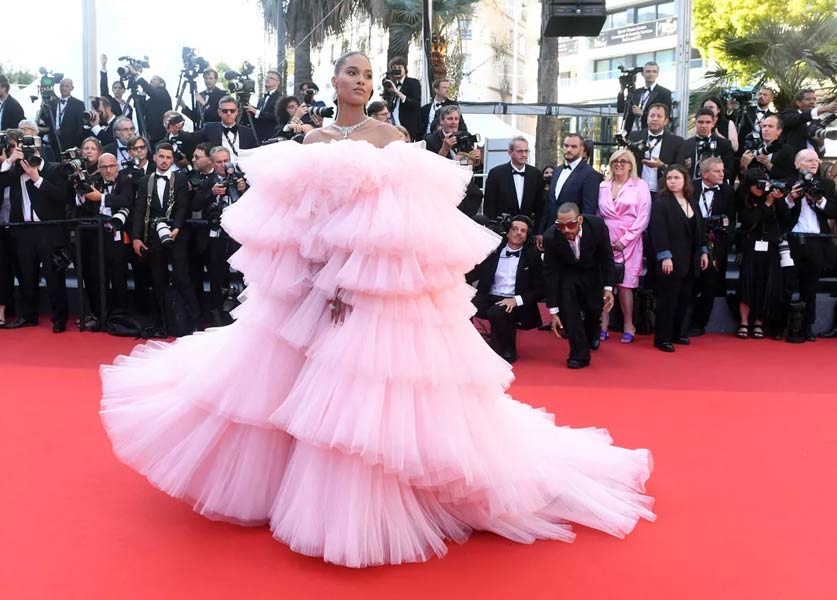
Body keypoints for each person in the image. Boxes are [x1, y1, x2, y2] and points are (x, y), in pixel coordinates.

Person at [100, 50, 654, 568]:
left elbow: (392, 229)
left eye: (368, 76)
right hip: (308, 279)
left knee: (355, 393)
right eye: (352, 74)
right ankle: (280, 487)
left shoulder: (391, 138)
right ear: (334, 83)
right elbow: (303, 218)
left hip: (369, 288)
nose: (362, 82)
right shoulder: (312, 139)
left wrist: (350, 283)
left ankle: (361, 500)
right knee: (286, 380)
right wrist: (314, 276)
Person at [0, 131, 71, 332]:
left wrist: (37, 179)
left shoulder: (54, 169)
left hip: (49, 230)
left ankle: (59, 319)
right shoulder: (15, 172)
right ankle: (28, 316)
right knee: (26, 276)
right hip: (24, 231)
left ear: (39, 151)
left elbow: (62, 196)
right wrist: (9, 161)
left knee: (54, 277)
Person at [543, 202, 615, 368]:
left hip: (591, 271)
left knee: (594, 309)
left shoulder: (596, 226)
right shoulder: (551, 237)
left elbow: (606, 257)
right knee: (570, 313)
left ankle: (592, 334)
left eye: (571, 224)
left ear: (580, 220)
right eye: (561, 226)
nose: (566, 230)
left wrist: (608, 288)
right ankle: (579, 354)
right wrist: (553, 309)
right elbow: (550, 273)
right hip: (567, 274)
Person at [648, 164, 709, 352]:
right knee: (668, 299)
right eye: (669, 178)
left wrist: (704, 251)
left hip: (691, 258)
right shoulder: (661, 203)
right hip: (671, 259)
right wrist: (665, 256)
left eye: (676, 178)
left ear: (685, 180)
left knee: (684, 298)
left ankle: (678, 333)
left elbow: (700, 228)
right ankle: (662, 338)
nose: (672, 182)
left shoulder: (692, 200)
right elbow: (658, 232)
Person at [467, 215, 544, 362]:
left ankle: (508, 349)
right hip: (490, 295)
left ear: (527, 236)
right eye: (515, 229)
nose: (518, 233)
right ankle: (470, 345)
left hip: (514, 300)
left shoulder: (532, 256)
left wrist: (516, 300)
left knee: (496, 312)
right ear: (508, 232)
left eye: (523, 231)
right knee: (464, 306)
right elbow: (474, 273)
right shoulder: (493, 251)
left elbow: (541, 289)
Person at [596, 149, 651, 344]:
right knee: (604, 283)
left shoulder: (640, 186)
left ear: (631, 165)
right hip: (605, 239)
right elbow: (598, 214)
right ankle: (602, 324)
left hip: (630, 241)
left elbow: (643, 217)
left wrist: (625, 240)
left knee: (625, 286)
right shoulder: (603, 186)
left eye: (623, 161)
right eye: (615, 161)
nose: (619, 164)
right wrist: (601, 240)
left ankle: (629, 324)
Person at [783, 149, 837, 340]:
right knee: (787, 284)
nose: (815, 163)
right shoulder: (789, 183)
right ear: (797, 164)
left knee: (810, 288)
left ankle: (807, 326)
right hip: (792, 240)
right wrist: (790, 199)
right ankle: (783, 325)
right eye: (808, 160)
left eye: (816, 160)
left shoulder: (827, 184)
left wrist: (819, 200)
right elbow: (779, 214)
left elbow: (833, 211)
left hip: (816, 241)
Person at [735, 168, 789, 340]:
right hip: (751, 243)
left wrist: (779, 201)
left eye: (762, 185)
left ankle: (759, 322)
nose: (760, 189)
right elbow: (750, 220)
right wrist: (767, 203)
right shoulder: (744, 198)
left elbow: (785, 220)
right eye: (756, 186)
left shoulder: (773, 196)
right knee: (747, 282)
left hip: (770, 245)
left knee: (767, 283)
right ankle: (744, 322)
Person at [688, 157, 734, 336]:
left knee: (709, 284)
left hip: (716, 241)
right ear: (705, 173)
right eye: (717, 171)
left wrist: (722, 239)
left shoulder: (728, 191)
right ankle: (684, 320)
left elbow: (731, 218)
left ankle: (700, 324)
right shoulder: (691, 187)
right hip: (692, 239)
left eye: (722, 171)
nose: (722, 174)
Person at [537, 134, 602, 243]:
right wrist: (541, 232)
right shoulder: (557, 171)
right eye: (566, 146)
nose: (569, 149)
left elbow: (589, 209)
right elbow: (548, 205)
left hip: (572, 235)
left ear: (582, 149)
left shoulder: (590, 174)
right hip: (551, 234)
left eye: (573, 146)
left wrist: (580, 237)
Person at [482, 137, 543, 226]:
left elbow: (540, 206)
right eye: (520, 151)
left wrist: (538, 231)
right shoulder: (496, 173)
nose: (524, 154)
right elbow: (489, 205)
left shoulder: (535, 174)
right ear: (510, 152)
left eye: (526, 151)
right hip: (502, 229)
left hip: (528, 230)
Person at [628, 103, 683, 200]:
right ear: (647, 118)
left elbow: (680, 169)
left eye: (659, 116)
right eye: (652, 116)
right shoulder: (635, 136)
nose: (655, 119)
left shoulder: (676, 141)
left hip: (664, 192)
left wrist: (662, 166)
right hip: (637, 190)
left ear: (666, 120)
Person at [676, 108, 736, 183]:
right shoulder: (685, 144)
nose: (704, 126)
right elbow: (678, 169)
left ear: (713, 124)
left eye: (708, 122)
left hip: (715, 188)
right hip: (690, 188)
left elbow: (730, 171)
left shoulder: (724, 144)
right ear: (695, 123)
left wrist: (714, 167)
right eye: (700, 122)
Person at [199, 96, 259, 163]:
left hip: (243, 169)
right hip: (219, 170)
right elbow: (192, 139)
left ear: (237, 112)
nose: (229, 113)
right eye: (225, 111)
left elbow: (255, 154)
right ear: (219, 112)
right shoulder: (209, 129)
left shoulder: (247, 132)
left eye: (232, 111)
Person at [779, 89, 837, 155]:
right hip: (792, 162)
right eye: (808, 99)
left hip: (813, 163)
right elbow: (800, 118)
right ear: (798, 102)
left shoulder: (818, 122)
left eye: (814, 99)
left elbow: (821, 154)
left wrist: (820, 143)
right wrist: (824, 109)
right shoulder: (788, 114)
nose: (812, 102)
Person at [739, 115, 796, 181]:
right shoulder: (753, 147)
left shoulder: (787, 150)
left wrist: (768, 165)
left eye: (770, 126)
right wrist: (743, 165)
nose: (766, 129)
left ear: (779, 131)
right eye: (764, 126)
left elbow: (790, 177)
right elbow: (744, 179)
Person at [383, 56, 422, 141]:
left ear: (405, 69)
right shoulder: (394, 85)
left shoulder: (413, 82)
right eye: (395, 69)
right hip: (395, 126)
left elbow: (415, 104)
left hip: (408, 128)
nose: (397, 70)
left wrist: (397, 92)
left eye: (399, 68)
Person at [631, 61, 672, 131]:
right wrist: (622, 90)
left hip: (654, 131)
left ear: (657, 74)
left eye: (654, 71)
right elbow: (621, 109)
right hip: (635, 132)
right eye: (648, 71)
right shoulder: (636, 92)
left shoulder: (665, 92)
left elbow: (665, 115)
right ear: (642, 74)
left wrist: (642, 113)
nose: (651, 74)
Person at [244, 70, 281, 143]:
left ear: (278, 82)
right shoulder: (262, 99)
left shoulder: (280, 98)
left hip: (271, 137)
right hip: (258, 136)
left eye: (271, 78)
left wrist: (255, 111)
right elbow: (259, 115)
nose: (267, 79)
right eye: (267, 77)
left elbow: (275, 116)